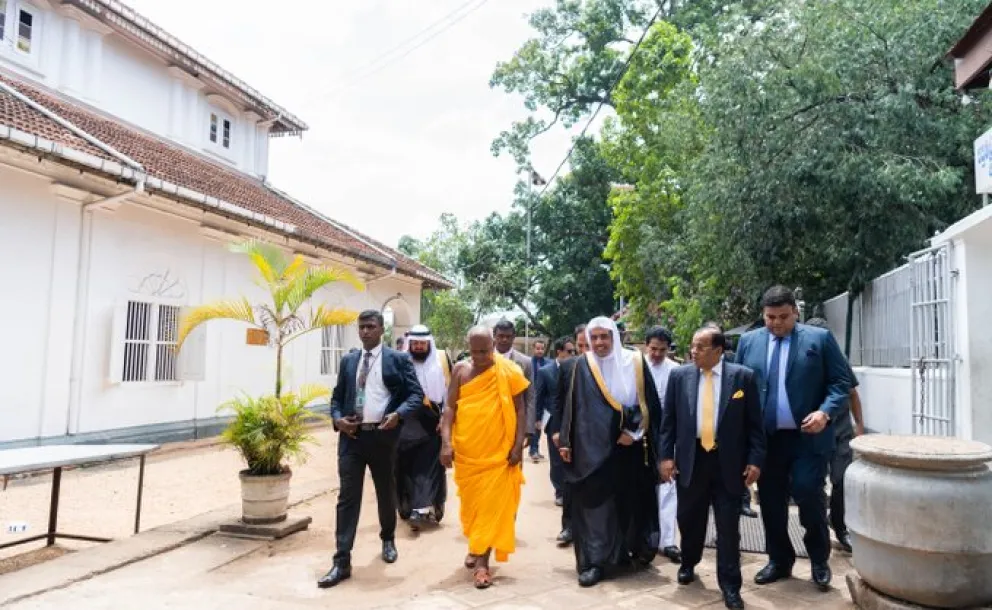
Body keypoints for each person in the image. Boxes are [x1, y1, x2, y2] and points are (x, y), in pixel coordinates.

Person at [736, 286, 851, 591]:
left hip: (808, 439)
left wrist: (825, 413)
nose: (776, 323)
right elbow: (740, 388)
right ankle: (779, 560)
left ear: (795, 313)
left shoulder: (819, 340)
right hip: (767, 440)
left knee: (809, 495)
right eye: (770, 317)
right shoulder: (749, 342)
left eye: (783, 317)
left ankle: (818, 559)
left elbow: (842, 382)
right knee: (771, 502)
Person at [660, 326, 765, 610]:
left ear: (718, 351)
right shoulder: (680, 376)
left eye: (701, 347)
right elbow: (668, 422)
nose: (693, 351)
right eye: (692, 346)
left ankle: (730, 586)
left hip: (728, 462)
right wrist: (665, 458)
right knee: (689, 518)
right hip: (692, 460)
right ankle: (689, 562)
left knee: (728, 528)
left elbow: (756, 425)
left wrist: (755, 460)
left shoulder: (743, 377)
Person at [319, 310, 425, 589]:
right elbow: (336, 398)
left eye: (370, 327)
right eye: (361, 327)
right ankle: (342, 560)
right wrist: (337, 419)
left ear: (381, 329)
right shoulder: (349, 360)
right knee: (347, 498)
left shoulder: (397, 359)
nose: (365, 332)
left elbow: (416, 395)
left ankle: (388, 538)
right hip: (352, 439)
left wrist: (398, 415)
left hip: (382, 437)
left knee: (385, 491)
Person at [559, 317, 661, 587]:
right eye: (595, 338)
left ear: (615, 337)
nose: (600, 343)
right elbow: (573, 405)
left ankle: (626, 553)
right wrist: (566, 442)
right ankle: (593, 562)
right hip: (590, 449)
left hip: (628, 448)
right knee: (593, 507)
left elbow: (648, 403)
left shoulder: (635, 361)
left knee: (628, 502)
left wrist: (634, 432)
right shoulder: (583, 364)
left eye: (605, 336)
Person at [440, 326, 529, 589]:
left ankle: (482, 564)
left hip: (499, 454)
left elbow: (521, 409)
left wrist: (517, 446)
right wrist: (446, 443)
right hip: (468, 454)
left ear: (494, 346)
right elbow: (449, 408)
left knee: (492, 507)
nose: (480, 356)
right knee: (472, 508)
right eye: (475, 351)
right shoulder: (460, 371)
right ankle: (476, 545)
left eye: (485, 351)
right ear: (468, 347)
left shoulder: (509, 371)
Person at [804, 317, 865, 553]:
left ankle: (840, 528)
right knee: (813, 485)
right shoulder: (801, 362)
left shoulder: (838, 361)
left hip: (840, 431)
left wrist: (859, 425)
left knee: (841, 481)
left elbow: (852, 393)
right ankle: (816, 531)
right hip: (813, 432)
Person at [397, 324, 452, 531]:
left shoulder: (442, 360)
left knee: (427, 466)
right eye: (415, 343)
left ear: (429, 343)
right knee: (405, 466)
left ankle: (421, 508)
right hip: (406, 420)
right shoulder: (401, 361)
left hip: (433, 419)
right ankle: (410, 506)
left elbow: (450, 392)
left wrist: (445, 419)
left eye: (422, 343)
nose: (419, 347)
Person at [547, 324, 590, 547]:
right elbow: (558, 402)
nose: (584, 350)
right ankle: (569, 527)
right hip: (571, 435)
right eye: (580, 346)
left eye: (587, 345)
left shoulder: (606, 368)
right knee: (570, 483)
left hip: (596, 437)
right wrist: (557, 431)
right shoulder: (567, 367)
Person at [644, 326, 682, 564]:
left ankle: (668, 541)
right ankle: (644, 537)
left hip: (668, 433)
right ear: (646, 346)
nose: (657, 354)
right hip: (641, 432)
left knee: (668, 486)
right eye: (653, 349)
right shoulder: (636, 367)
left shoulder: (677, 371)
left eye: (662, 350)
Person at [534, 338, 575, 507]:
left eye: (574, 351)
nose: (573, 354)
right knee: (557, 459)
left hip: (573, 419)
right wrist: (536, 419)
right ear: (559, 351)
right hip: (554, 421)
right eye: (570, 351)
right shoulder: (546, 371)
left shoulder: (577, 367)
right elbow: (539, 396)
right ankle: (559, 491)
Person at [492, 320, 539, 460]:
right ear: (494, 336)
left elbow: (530, 396)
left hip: (515, 424)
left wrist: (529, 429)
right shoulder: (484, 359)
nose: (504, 339)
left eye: (508, 336)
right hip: (489, 422)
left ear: (514, 337)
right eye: (500, 336)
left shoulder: (525, 362)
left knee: (513, 464)